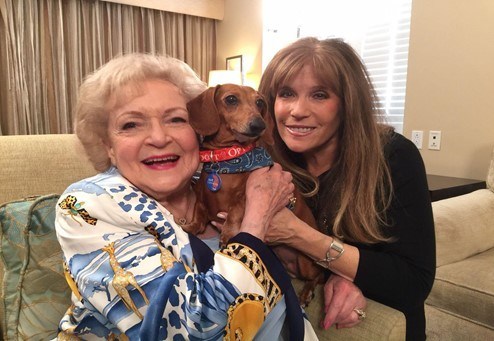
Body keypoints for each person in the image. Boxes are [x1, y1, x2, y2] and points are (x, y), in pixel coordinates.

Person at [54, 53, 318, 340]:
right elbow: (191, 329)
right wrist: (256, 219)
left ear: (201, 125)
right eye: (131, 124)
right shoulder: (87, 206)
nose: (158, 137)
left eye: (176, 119)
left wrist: (341, 281)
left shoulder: (211, 184)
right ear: (107, 145)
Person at [257, 37, 435, 341]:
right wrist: (339, 272)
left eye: (319, 95)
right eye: (286, 93)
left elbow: (413, 283)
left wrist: (297, 233)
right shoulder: (268, 165)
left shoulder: (393, 157)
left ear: (348, 104)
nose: (297, 110)